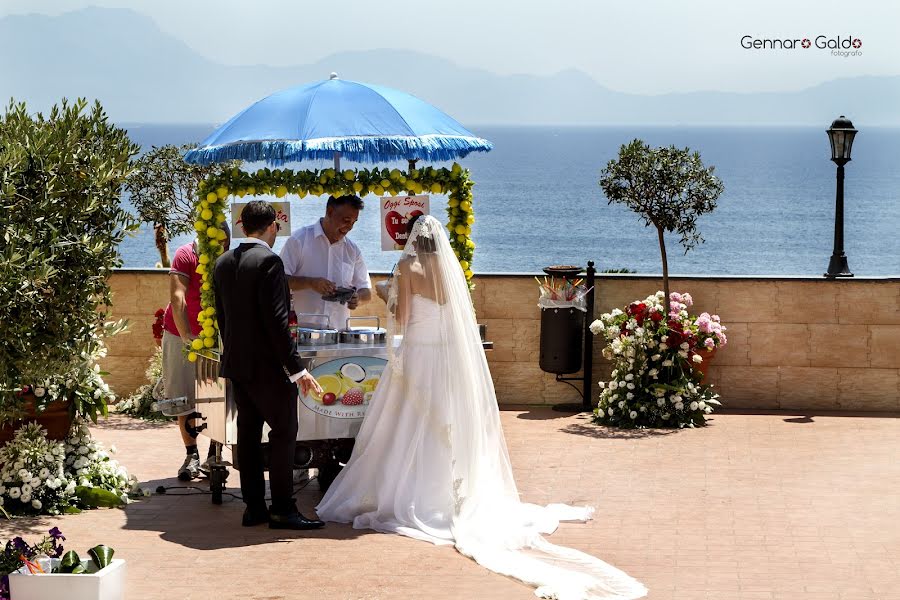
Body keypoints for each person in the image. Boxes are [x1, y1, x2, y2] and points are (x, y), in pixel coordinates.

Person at [317, 215, 647, 600]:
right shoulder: (446, 265)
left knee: (409, 423)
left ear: (409, 241)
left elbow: (402, 317)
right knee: (448, 422)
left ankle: (414, 490)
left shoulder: (408, 266)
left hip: (421, 355)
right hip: (447, 357)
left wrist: (387, 295)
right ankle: (452, 488)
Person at [213, 200, 325, 530]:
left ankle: (254, 507)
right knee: (284, 433)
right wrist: (297, 369)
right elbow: (277, 323)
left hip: (238, 365)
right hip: (268, 368)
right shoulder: (270, 262)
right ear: (273, 225)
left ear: (242, 226)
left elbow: (223, 320)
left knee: (247, 436)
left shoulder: (221, 263)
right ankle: (283, 508)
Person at [162, 226, 229, 481]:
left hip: (217, 339)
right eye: (218, 243)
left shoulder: (227, 259)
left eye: (227, 243)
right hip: (180, 335)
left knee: (219, 398)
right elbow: (178, 296)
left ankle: (215, 454)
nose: (223, 247)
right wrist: (187, 334)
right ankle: (192, 455)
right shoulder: (185, 254)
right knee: (184, 397)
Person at [280, 194, 372, 331]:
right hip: (302, 333)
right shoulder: (299, 240)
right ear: (330, 212)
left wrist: (357, 298)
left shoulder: (352, 250)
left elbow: (366, 291)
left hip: (339, 334)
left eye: (354, 222)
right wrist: (310, 283)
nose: (350, 227)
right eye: (346, 220)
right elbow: (279, 281)